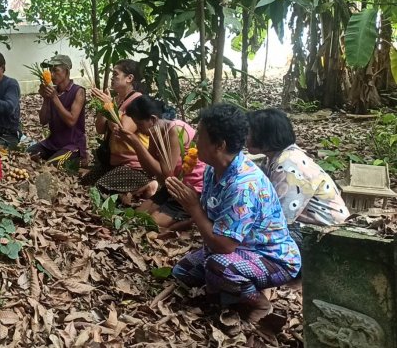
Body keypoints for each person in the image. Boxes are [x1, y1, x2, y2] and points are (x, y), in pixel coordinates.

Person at [166, 104, 301, 323]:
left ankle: (260, 303)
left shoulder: (243, 186)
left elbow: (224, 245)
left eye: (200, 135)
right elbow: (212, 218)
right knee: (182, 272)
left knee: (219, 265)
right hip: (238, 248)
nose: (194, 140)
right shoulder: (213, 169)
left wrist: (193, 207)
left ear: (220, 145)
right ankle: (229, 293)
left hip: (271, 257)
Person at [246, 108, 350, 248]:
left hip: (327, 231)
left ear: (265, 135)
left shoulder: (289, 165)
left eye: (249, 132)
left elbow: (281, 217)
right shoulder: (276, 158)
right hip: (310, 225)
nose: (245, 137)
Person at [112, 96, 206, 232]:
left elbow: (166, 175)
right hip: (171, 189)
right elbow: (149, 171)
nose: (138, 129)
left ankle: (189, 220)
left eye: (139, 124)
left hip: (190, 190)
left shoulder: (174, 130)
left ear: (153, 119)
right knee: (136, 216)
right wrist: (134, 144)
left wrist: (136, 143)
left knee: (150, 225)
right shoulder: (155, 132)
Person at [81, 60, 154, 194]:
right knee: (85, 183)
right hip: (114, 163)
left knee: (98, 190)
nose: (112, 78)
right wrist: (103, 106)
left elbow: (122, 130)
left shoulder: (137, 101)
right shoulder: (117, 100)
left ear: (129, 78)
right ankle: (132, 191)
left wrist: (109, 107)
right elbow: (100, 129)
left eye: (115, 74)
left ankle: (146, 186)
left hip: (134, 166)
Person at [27, 54, 87, 168]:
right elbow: (43, 121)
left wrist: (54, 98)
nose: (52, 75)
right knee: (26, 155)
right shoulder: (53, 91)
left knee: (51, 166)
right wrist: (46, 99)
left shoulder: (78, 92)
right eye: (50, 71)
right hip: (52, 144)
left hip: (72, 146)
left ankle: (81, 159)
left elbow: (71, 121)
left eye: (56, 70)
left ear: (66, 71)